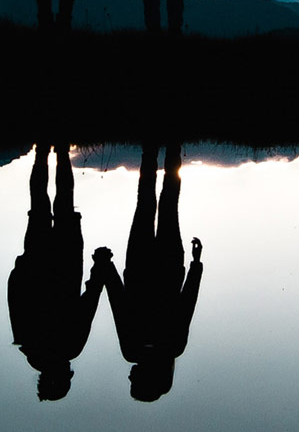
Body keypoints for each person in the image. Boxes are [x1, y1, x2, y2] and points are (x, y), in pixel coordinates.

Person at [92, 142, 202, 402]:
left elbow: (187, 302)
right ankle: (151, 149)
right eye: (134, 381)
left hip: (168, 266)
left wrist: (197, 265)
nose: (129, 376)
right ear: (145, 377)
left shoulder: (174, 347)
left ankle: (172, 150)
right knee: (146, 203)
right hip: (141, 267)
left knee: (167, 204)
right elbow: (118, 302)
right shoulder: (131, 349)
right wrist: (105, 266)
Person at [7, 144, 106, 400]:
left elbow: (90, 300)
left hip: (66, 261)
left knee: (64, 200)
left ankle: (60, 150)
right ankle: (43, 152)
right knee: (39, 201)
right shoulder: (28, 345)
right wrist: (20, 267)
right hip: (37, 261)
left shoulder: (71, 346)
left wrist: (99, 268)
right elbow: (15, 297)